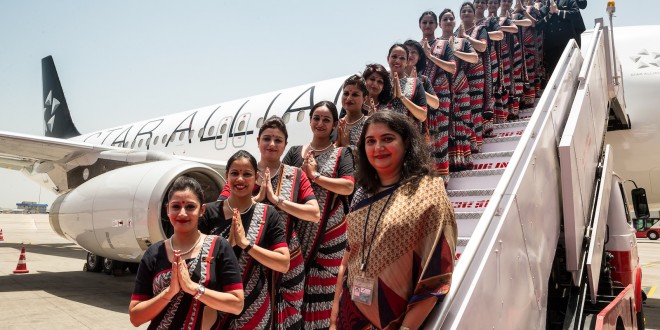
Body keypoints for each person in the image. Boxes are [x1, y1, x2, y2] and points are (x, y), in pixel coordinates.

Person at [331, 111, 457, 329]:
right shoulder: (362, 195)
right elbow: (348, 257)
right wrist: (333, 318)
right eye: (371, 141)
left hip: (399, 318)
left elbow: (436, 273)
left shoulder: (428, 192)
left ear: (406, 143)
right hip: (351, 314)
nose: (378, 147)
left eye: (387, 139)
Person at [208, 117, 321, 329]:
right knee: (249, 313)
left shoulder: (296, 175)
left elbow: (314, 213)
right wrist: (256, 199)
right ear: (258, 141)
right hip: (246, 256)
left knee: (290, 312)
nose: (272, 144)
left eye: (278, 140)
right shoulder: (244, 173)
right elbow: (222, 209)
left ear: (285, 145)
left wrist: (278, 200)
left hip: (286, 255)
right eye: (267, 138)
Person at [129, 176, 244, 329]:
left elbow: (236, 304)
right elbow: (135, 317)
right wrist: (169, 293)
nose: (182, 213)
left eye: (190, 207)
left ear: (202, 210)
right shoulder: (154, 253)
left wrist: (193, 288)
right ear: (167, 209)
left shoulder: (219, 247)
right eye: (176, 207)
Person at [283, 101, 355, 329]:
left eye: (326, 120)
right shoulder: (295, 152)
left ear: (335, 124)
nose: (320, 123)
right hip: (296, 233)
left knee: (320, 295)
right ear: (311, 121)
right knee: (291, 291)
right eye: (316, 118)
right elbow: (279, 180)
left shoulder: (342, 154)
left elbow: (347, 187)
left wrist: (314, 176)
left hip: (329, 237)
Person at [199, 150, 291, 329]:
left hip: (253, 307)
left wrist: (246, 244)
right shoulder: (209, 213)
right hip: (213, 303)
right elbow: (193, 257)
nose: (240, 179)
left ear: (256, 178)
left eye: (247, 174)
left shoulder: (267, 214)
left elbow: (283, 263)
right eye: (234, 173)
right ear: (226, 176)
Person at [422, 10, 456, 183]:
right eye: (424, 22)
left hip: (440, 96)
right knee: (424, 139)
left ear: (436, 25)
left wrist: (430, 56)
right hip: (421, 99)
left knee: (440, 137)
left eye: (431, 22)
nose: (427, 26)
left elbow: (452, 67)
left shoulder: (443, 46)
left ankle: (442, 180)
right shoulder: (414, 47)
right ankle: (428, 181)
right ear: (420, 25)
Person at [442, 8, 478, 170]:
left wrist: (454, 51)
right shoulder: (436, 43)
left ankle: (463, 159)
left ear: (455, 22)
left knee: (463, 120)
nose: (448, 22)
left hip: (460, 84)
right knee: (446, 124)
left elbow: (474, 57)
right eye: (445, 19)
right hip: (442, 89)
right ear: (440, 23)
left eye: (451, 19)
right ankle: (448, 161)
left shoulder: (462, 41)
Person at [458, 2, 488, 153]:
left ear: (474, 13)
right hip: (459, 75)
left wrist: (465, 37)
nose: (466, 13)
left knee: (475, 108)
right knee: (462, 109)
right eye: (463, 11)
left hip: (476, 72)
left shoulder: (480, 29)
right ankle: (465, 145)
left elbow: (482, 47)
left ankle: (475, 143)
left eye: (469, 11)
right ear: (460, 15)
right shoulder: (455, 32)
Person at [382, 43, 428, 133]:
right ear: (388, 58)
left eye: (402, 58)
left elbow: (422, 115)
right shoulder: (380, 81)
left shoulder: (415, 83)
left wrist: (402, 97)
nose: (397, 61)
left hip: (407, 136)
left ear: (407, 62)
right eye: (394, 57)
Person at [474, 0, 504, 137]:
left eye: (482, 2)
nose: (480, 4)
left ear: (486, 6)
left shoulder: (489, 22)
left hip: (488, 61)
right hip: (469, 67)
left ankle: (487, 128)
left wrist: (481, 36)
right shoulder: (463, 27)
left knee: (487, 93)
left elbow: (500, 35)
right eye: (477, 1)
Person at [536, 0, 581, 77]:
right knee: (554, 74)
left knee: (571, 71)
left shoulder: (568, 1)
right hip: (552, 48)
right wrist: (550, 13)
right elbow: (538, 26)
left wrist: (558, 11)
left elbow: (576, 14)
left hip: (567, 44)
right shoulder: (543, 9)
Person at [336, 74, 369, 151]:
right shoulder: (336, 124)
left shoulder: (369, 124)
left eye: (355, 95)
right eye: (346, 93)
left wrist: (347, 145)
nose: (349, 98)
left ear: (365, 99)